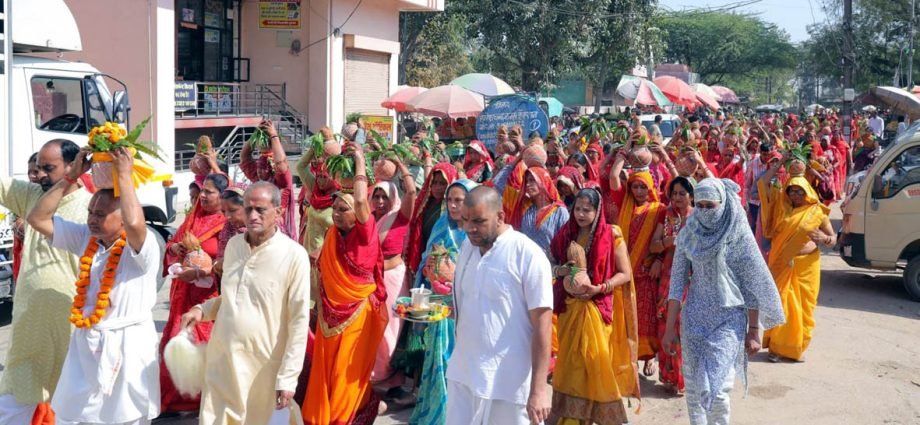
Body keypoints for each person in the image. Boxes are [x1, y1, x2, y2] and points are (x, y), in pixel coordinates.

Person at [28, 146, 161, 424]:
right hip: (86, 347)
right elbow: (37, 218)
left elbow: (136, 224)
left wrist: (124, 175)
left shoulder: (142, 249)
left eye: (101, 215)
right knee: (78, 416)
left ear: (122, 218)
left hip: (127, 348)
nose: (92, 219)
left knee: (125, 418)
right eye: (91, 211)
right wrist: (70, 177)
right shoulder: (87, 239)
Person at [182, 181, 311, 424]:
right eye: (248, 208)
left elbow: (298, 320)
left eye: (260, 209)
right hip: (223, 359)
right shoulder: (233, 246)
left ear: (278, 212)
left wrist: (288, 378)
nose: (252, 215)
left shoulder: (293, 255)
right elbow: (234, 296)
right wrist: (202, 310)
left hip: (262, 368)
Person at [661, 178, 785, 425]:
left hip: (729, 320)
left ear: (723, 203)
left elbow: (751, 285)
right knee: (695, 389)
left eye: (711, 206)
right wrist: (669, 330)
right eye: (701, 205)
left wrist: (753, 331)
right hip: (694, 318)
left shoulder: (737, 235)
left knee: (717, 388)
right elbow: (677, 283)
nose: (705, 212)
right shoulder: (689, 234)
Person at [0, 140, 93, 425]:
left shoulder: (92, 207)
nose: (39, 174)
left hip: (70, 317)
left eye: (48, 168)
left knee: (72, 392)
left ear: (72, 166)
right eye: (38, 167)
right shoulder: (31, 196)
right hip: (30, 317)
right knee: (18, 387)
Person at [446, 186, 553, 425]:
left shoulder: (528, 255)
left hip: (509, 385)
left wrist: (539, 389)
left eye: (479, 221)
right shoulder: (467, 247)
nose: (470, 229)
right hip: (464, 375)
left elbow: (543, 326)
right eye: (465, 221)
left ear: (501, 217)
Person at [303, 145, 388, 425]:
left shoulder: (366, 233)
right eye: (335, 209)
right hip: (329, 311)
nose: (338, 214)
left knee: (344, 370)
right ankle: (334, 411)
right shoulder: (332, 235)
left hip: (356, 313)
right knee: (325, 367)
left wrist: (360, 162)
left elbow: (363, 203)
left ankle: (342, 417)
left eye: (344, 210)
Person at [548, 188, 637, 425]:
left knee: (594, 364)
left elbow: (625, 273)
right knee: (571, 367)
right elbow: (551, 264)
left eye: (587, 210)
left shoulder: (612, 234)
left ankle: (599, 416)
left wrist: (601, 288)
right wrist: (562, 271)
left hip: (597, 308)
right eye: (577, 208)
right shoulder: (566, 234)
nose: (581, 214)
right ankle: (571, 419)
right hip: (569, 308)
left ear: (598, 212)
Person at [409, 179, 478, 425]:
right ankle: (437, 412)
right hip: (439, 306)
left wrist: (454, 272)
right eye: (450, 200)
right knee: (438, 359)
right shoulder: (441, 225)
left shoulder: (475, 233)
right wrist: (429, 270)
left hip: (466, 309)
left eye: (459, 200)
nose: (453, 205)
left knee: (459, 362)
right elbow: (427, 259)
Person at [158, 173, 228, 413]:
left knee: (201, 344)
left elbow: (226, 262)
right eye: (203, 191)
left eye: (210, 192)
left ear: (222, 196)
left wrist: (201, 272)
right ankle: (175, 399)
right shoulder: (193, 217)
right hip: (182, 293)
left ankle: (202, 400)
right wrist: (175, 247)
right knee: (177, 341)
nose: (204, 196)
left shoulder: (227, 223)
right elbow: (172, 244)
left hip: (207, 298)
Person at [758, 160, 835, 362]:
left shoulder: (817, 212)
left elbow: (833, 238)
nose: (796, 195)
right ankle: (775, 348)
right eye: (792, 191)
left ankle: (795, 348)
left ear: (807, 191)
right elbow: (764, 185)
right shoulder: (780, 208)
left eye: (800, 191)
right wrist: (778, 164)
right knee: (780, 304)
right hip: (782, 263)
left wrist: (824, 239)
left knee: (803, 309)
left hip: (806, 267)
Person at [370, 158, 417, 394]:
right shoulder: (369, 219)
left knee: (391, 331)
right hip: (372, 283)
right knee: (375, 332)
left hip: (394, 281)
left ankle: (388, 376)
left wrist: (401, 164)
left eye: (384, 197)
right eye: (376, 196)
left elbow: (411, 190)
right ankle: (375, 376)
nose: (379, 201)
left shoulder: (400, 216)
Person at [616, 169, 665, 376]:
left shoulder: (659, 209)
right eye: (634, 186)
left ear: (650, 188)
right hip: (626, 271)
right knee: (628, 317)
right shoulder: (624, 210)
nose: (638, 191)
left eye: (642, 187)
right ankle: (631, 357)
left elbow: (665, 239)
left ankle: (650, 356)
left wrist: (659, 261)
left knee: (647, 318)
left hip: (647, 271)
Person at [648, 177, 694, 394]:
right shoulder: (666, 216)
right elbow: (653, 246)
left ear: (691, 196)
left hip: (691, 278)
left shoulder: (698, 217)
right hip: (667, 274)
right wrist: (666, 243)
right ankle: (668, 376)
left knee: (683, 324)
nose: (677, 198)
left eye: (681, 194)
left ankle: (684, 378)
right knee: (665, 322)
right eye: (674, 193)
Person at [240, 119, 298, 240]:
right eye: (258, 167)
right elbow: (244, 156)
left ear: (271, 169)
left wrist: (273, 136)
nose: (259, 171)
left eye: (263, 168)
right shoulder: (258, 180)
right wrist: (256, 134)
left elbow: (280, 162)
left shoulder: (280, 182)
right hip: (257, 227)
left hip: (276, 230)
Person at [508, 167, 570, 253]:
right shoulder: (525, 209)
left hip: (549, 264)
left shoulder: (560, 211)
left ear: (543, 181)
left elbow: (565, 243)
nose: (528, 184)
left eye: (532, 180)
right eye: (527, 181)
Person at [11, 153, 42, 283]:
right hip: (26, 260)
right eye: (29, 172)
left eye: (36, 171)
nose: (31, 176)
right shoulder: (27, 195)